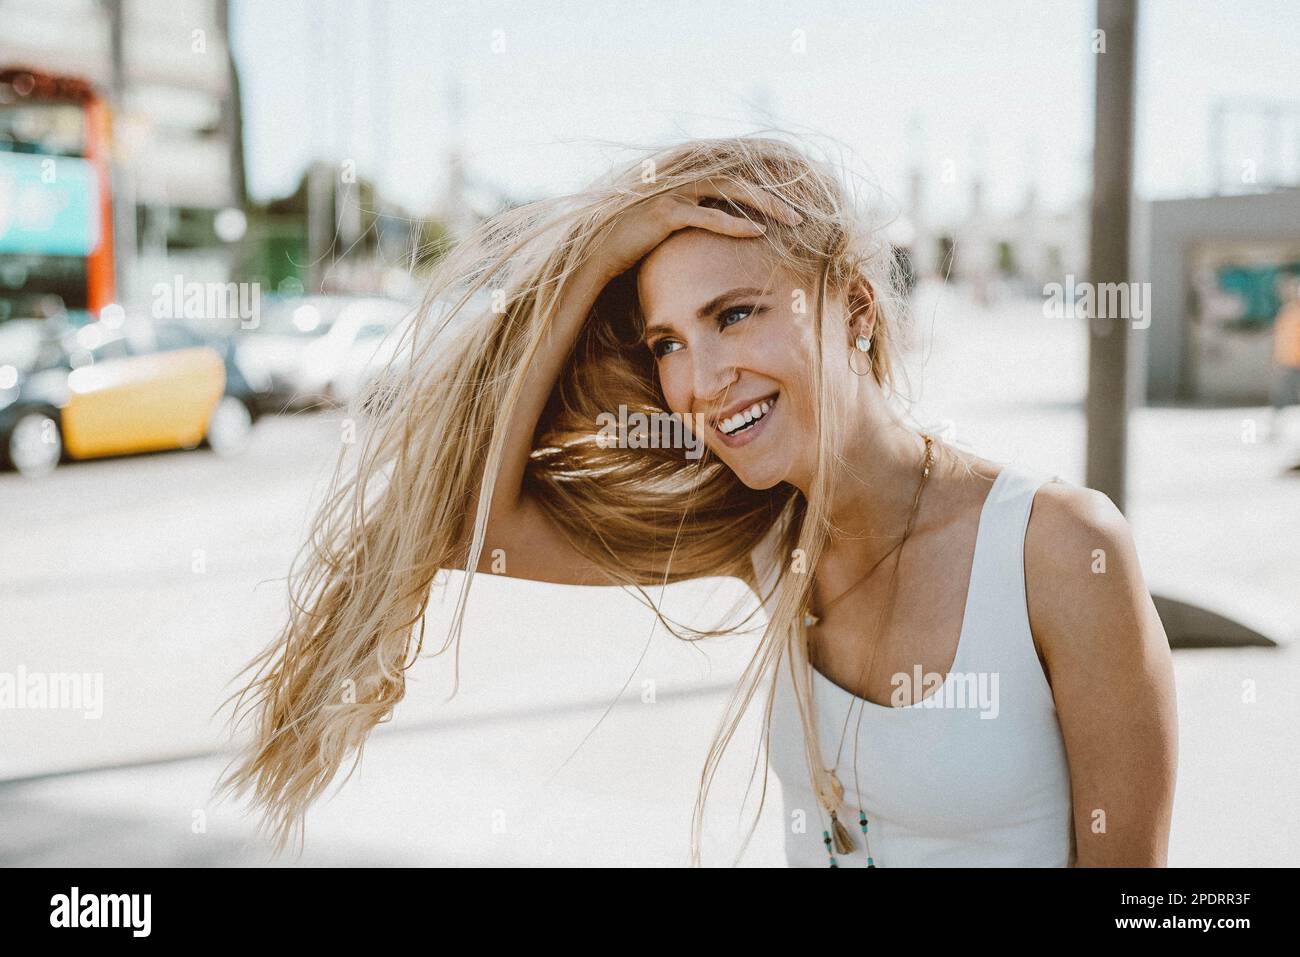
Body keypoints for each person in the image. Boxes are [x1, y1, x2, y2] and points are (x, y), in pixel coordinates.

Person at [216, 135, 1177, 867]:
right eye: (667, 341)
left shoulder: (1059, 550)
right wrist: (595, 257)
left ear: (853, 308)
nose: (700, 380)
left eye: (735, 314)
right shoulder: (762, 540)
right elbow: (467, 523)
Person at [1269, 276, 1300, 442]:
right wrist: (1276, 361)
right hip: (1287, 361)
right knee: (1281, 397)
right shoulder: (1287, 312)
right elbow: (1280, 338)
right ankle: (1274, 429)